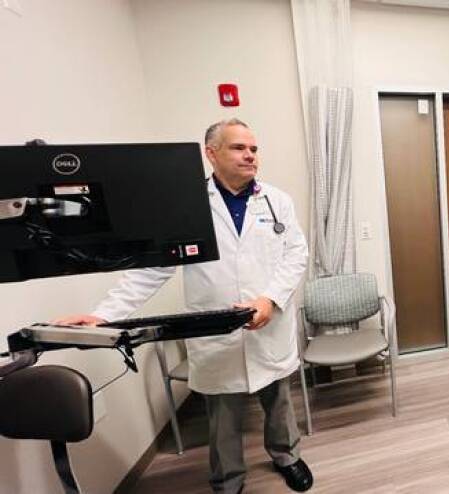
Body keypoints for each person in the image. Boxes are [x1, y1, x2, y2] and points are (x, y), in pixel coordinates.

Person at [56, 118, 313, 494]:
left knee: (278, 403)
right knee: (222, 415)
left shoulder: (277, 201)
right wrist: (104, 315)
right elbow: (152, 269)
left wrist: (269, 300)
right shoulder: (187, 205)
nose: (250, 156)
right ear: (212, 154)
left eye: (254, 149)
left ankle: (287, 456)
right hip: (216, 330)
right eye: (239, 148)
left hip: (267, 323)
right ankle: (228, 480)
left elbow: (296, 255)